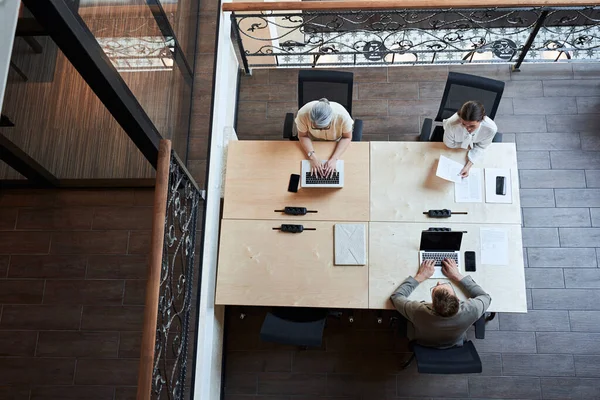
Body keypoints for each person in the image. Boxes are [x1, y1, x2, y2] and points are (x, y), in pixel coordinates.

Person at [390, 258, 491, 348]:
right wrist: (457, 276)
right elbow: (486, 297)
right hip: (455, 343)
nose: (439, 283)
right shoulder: (472, 310)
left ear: (432, 304)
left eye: (434, 290)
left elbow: (396, 297)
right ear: (458, 299)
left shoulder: (418, 311)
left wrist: (420, 276)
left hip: (424, 343)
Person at [295, 98, 353, 177]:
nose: (321, 130)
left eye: (324, 127)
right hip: (313, 142)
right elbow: (303, 135)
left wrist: (334, 159)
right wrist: (313, 158)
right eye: (316, 127)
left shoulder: (343, 116)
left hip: (336, 141)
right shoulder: (303, 114)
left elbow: (347, 137)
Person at [443, 101, 498, 178]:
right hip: (455, 150)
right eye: (463, 124)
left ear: (482, 119)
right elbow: (449, 143)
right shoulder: (451, 124)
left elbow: (481, 147)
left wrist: (468, 166)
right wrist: (467, 146)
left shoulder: (490, 129)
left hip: (464, 151)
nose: (467, 128)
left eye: (472, 126)